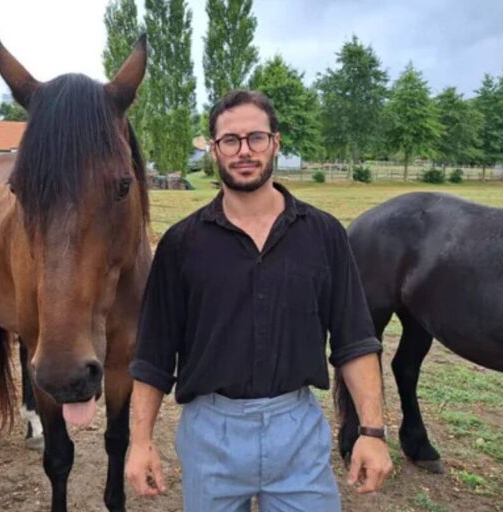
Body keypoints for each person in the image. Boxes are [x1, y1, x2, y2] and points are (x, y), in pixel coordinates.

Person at [125, 89, 392, 511]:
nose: (244, 151)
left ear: (275, 143)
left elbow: (354, 341)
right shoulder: (180, 244)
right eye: (230, 140)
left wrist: (372, 432)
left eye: (256, 138)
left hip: (297, 430)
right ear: (214, 149)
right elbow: (153, 354)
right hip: (210, 433)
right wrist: (140, 442)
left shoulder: (324, 235)